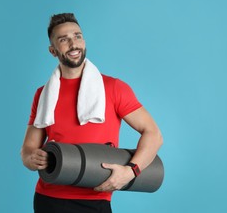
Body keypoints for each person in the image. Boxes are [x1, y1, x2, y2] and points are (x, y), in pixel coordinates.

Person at [21, 13, 163, 213]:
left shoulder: (114, 88)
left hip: (95, 198)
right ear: (53, 51)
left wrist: (131, 171)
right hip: (48, 199)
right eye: (64, 39)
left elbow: (154, 134)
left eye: (77, 36)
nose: (73, 44)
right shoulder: (42, 94)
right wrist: (31, 158)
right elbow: (28, 148)